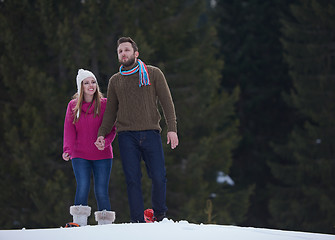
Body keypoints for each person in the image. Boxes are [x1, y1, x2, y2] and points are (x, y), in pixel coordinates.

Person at [95, 37, 179, 223]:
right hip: (126, 136)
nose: (123, 53)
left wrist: (171, 128)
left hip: (151, 133)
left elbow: (167, 102)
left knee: (158, 176)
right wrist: (102, 133)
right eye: (120, 51)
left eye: (126, 50)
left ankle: (159, 215)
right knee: (132, 179)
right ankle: (136, 221)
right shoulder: (115, 81)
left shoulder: (153, 73)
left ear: (136, 53)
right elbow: (110, 112)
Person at [62, 69, 117, 226]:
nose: (90, 85)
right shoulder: (73, 106)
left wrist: (105, 142)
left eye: (93, 82)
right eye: (86, 83)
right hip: (80, 155)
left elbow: (112, 129)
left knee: (101, 190)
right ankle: (79, 224)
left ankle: (105, 227)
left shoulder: (105, 104)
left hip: (103, 155)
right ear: (81, 87)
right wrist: (68, 150)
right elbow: (69, 130)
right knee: (83, 185)